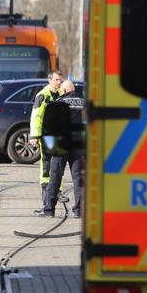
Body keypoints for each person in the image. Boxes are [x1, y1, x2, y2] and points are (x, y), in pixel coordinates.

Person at [36, 80, 85, 218]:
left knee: (55, 177)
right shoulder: (84, 103)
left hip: (61, 144)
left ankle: (49, 209)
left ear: (63, 91)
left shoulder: (57, 103)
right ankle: (79, 210)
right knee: (78, 178)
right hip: (79, 145)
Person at [30, 71, 66, 198]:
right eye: (57, 80)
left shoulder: (62, 94)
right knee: (47, 162)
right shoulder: (42, 95)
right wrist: (34, 135)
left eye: (61, 80)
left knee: (59, 164)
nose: (59, 82)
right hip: (46, 134)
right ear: (49, 80)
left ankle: (58, 190)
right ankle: (46, 187)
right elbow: (36, 116)